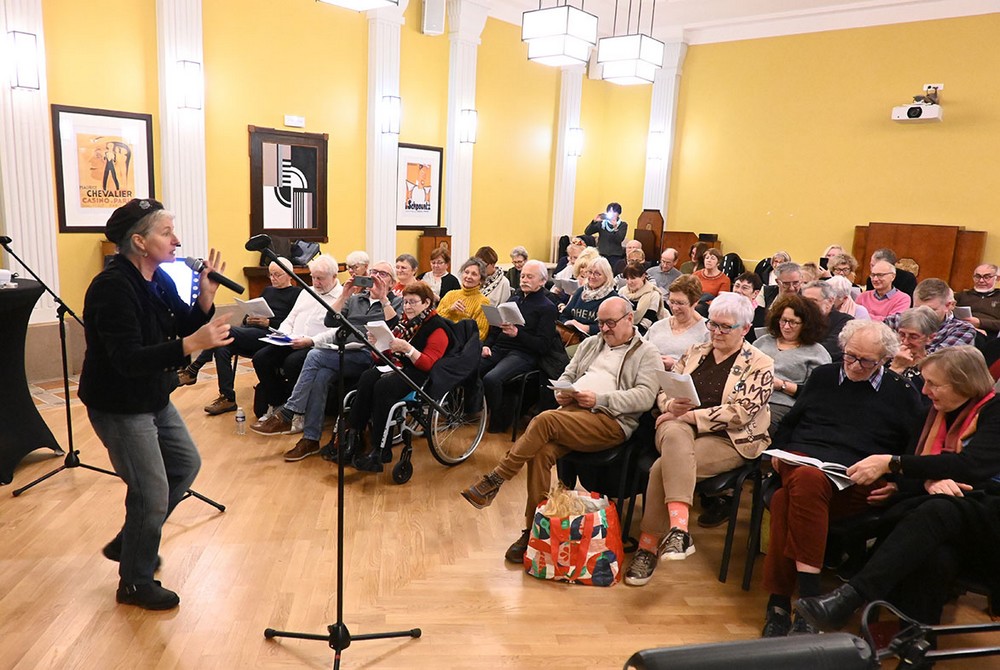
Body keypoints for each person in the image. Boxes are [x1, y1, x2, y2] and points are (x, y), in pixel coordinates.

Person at [79, 198, 233, 610]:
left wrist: (204, 300)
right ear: (139, 242)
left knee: (184, 465)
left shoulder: (156, 277)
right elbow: (127, 360)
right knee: (150, 492)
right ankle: (134, 582)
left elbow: (182, 323)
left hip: (152, 396)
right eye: (166, 233)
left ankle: (131, 542)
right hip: (120, 404)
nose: (176, 240)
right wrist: (191, 344)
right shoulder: (112, 288)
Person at [796, 346, 1000, 630]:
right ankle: (914, 645)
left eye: (934, 384)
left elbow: (972, 467)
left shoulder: (995, 411)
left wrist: (894, 464)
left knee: (938, 509)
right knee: (935, 557)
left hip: (988, 520)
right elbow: (911, 475)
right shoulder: (930, 415)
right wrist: (928, 480)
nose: (925, 391)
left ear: (964, 383)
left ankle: (851, 597)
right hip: (943, 525)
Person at [461, 297, 661, 563]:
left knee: (544, 420)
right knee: (540, 452)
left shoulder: (647, 352)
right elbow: (567, 375)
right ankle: (535, 530)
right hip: (574, 412)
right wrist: (562, 392)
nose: (604, 328)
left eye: (610, 323)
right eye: (601, 322)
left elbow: (645, 397)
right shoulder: (591, 343)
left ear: (629, 319)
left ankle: (496, 479)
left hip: (610, 421)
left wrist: (600, 400)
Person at [760, 320, 924, 637]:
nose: (855, 365)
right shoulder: (823, 376)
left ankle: (780, 603)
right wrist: (778, 454)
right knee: (807, 479)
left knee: (785, 500)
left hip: (857, 477)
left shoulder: (902, 393)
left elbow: (911, 450)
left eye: (866, 361)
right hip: (804, 462)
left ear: (885, 359)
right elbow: (790, 424)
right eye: (850, 356)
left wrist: (897, 485)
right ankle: (810, 606)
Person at [623, 293, 774, 586]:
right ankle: (679, 530)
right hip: (676, 428)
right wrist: (670, 405)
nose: (716, 332)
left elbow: (741, 412)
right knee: (674, 433)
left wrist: (690, 416)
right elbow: (665, 389)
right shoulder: (695, 351)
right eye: (712, 324)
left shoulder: (760, 363)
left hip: (729, 439)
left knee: (662, 468)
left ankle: (648, 547)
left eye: (725, 327)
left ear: (745, 328)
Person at [250, 261, 403, 463]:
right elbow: (330, 321)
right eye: (373, 272)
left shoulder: (396, 302)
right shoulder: (356, 299)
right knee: (320, 376)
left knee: (314, 355)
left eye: (383, 274)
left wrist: (383, 298)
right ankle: (310, 439)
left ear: (392, 283)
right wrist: (344, 295)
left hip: (372, 356)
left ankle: (289, 411)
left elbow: (395, 328)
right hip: (345, 352)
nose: (376, 276)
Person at [346, 281, 453, 472]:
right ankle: (354, 438)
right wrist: (376, 344)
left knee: (383, 387)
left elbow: (428, 364)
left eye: (413, 302)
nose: (407, 307)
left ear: (427, 303)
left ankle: (380, 450)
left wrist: (408, 349)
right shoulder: (404, 324)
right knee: (367, 377)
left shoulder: (438, 328)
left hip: (419, 374)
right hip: (398, 367)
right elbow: (383, 357)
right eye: (405, 302)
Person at [176, 257, 301, 416]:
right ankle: (227, 398)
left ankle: (193, 369)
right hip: (252, 332)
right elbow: (251, 313)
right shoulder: (268, 290)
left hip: (271, 335)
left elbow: (294, 324)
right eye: (270, 274)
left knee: (225, 330)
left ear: (289, 274)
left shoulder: (297, 294)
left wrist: (269, 322)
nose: (273, 278)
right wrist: (248, 319)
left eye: (278, 274)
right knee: (222, 346)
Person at [251, 254, 344, 419]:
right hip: (292, 339)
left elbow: (337, 332)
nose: (316, 282)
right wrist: (283, 335)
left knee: (292, 363)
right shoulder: (307, 292)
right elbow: (290, 318)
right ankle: (278, 402)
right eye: (313, 277)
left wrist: (311, 341)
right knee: (261, 358)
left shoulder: (342, 297)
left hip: (316, 345)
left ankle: (298, 410)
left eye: (320, 278)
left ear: (334, 276)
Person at [480, 259, 558, 433]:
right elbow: (495, 329)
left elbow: (543, 345)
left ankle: (498, 422)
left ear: (542, 281)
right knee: (472, 367)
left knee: (492, 379)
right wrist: (487, 345)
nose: (524, 280)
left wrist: (518, 334)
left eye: (530, 277)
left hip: (524, 353)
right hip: (500, 347)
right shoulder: (514, 298)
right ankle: (474, 411)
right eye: (522, 276)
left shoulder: (547, 307)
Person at [753, 295, 832, 433]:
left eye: (793, 322)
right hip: (748, 397)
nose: (786, 327)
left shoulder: (817, 353)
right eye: (783, 320)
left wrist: (781, 385)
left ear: (806, 325)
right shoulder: (763, 341)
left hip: (780, 404)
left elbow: (816, 394)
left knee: (757, 425)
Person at [883, 278, 976, 352]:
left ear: (950, 305)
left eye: (930, 310)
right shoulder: (896, 320)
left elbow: (937, 362)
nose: (922, 315)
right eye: (917, 308)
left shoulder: (962, 329)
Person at [644, 275, 708, 371]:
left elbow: (706, 369)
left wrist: (676, 365)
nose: (674, 308)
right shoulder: (657, 326)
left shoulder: (706, 332)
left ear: (695, 302)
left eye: (680, 303)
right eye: (672, 302)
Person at [559, 256, 616, 337]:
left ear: (607, 277)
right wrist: (568, 323)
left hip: (596, 339)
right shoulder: (580, 292)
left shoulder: (612, 299)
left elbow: (612, 326)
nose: (592, 276)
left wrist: (587, 328)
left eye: (597, 274)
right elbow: (564, 315)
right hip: (571, 336)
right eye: (590, 272)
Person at [436, 257, 490, 341]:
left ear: (481, 280)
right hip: (441, 338)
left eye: (474, 274)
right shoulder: (450, 294)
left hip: (463, 344)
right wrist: (450, 310)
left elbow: (480, 334)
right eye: (466, 272)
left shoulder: (483, 302)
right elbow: (435, 320)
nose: (468, 276)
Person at [887, 306, 939, 392]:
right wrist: (895, 367)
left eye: (913, 337)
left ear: (930, 338)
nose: (905, 342)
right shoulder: (884, 359)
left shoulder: (934, 367)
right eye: (902, 334)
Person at [801, 280, 852, 363]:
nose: (806, 305)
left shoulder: (845, 321)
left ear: (830, 301)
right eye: (804, 301)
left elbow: (828, 349)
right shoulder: (799, 319)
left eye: (813, 301)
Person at [617, 261, 664, 335]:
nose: (629, 282)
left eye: (633, 278)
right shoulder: (622, 291)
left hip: (644, 332)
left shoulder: (654, 294)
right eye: (627, 278)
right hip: (623, 330)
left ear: (643, 277)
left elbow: (647, 322)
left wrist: (629, 333)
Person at [955, 263, 1000, 337]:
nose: (981, 280)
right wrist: (972, 328)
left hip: (989, 335)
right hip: (961, 329)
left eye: (987, 277)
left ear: (997, 278)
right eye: (977, 276)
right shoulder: (961, 296)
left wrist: (980, 323)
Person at [584, 202, 628, 269]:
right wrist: (594, 222)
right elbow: (587, 232)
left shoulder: (623, 225)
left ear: (618, 213)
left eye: (614, 212)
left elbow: (619, 239)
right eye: (610, 211)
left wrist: (615, 228)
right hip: (601, 253)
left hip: (615, 255)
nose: (612, 214)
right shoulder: (602, 223)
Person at [731, 272, 767, 342]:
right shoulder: (724, 309)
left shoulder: (763, 317)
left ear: (755, 293)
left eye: (744, 288)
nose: (738, 291)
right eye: (737, 286)